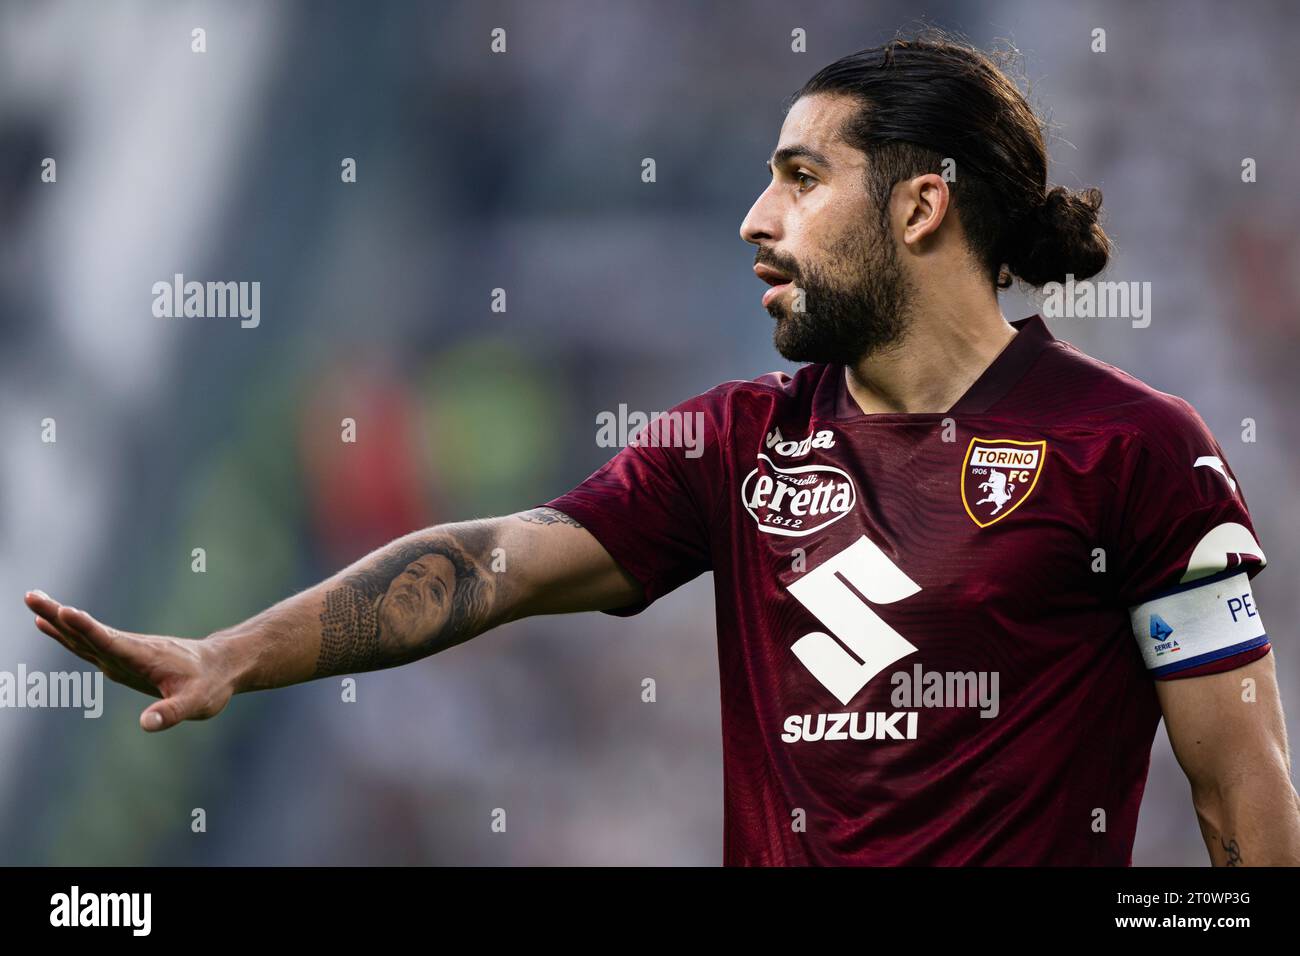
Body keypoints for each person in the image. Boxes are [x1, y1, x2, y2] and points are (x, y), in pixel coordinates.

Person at [25, 33, 1299, 866]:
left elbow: (1242, 790)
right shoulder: (735, 441)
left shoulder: (1137, 452)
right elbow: (492, 564)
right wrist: (228, 651)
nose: (757, 218)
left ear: (921, 205)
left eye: (802, 178)